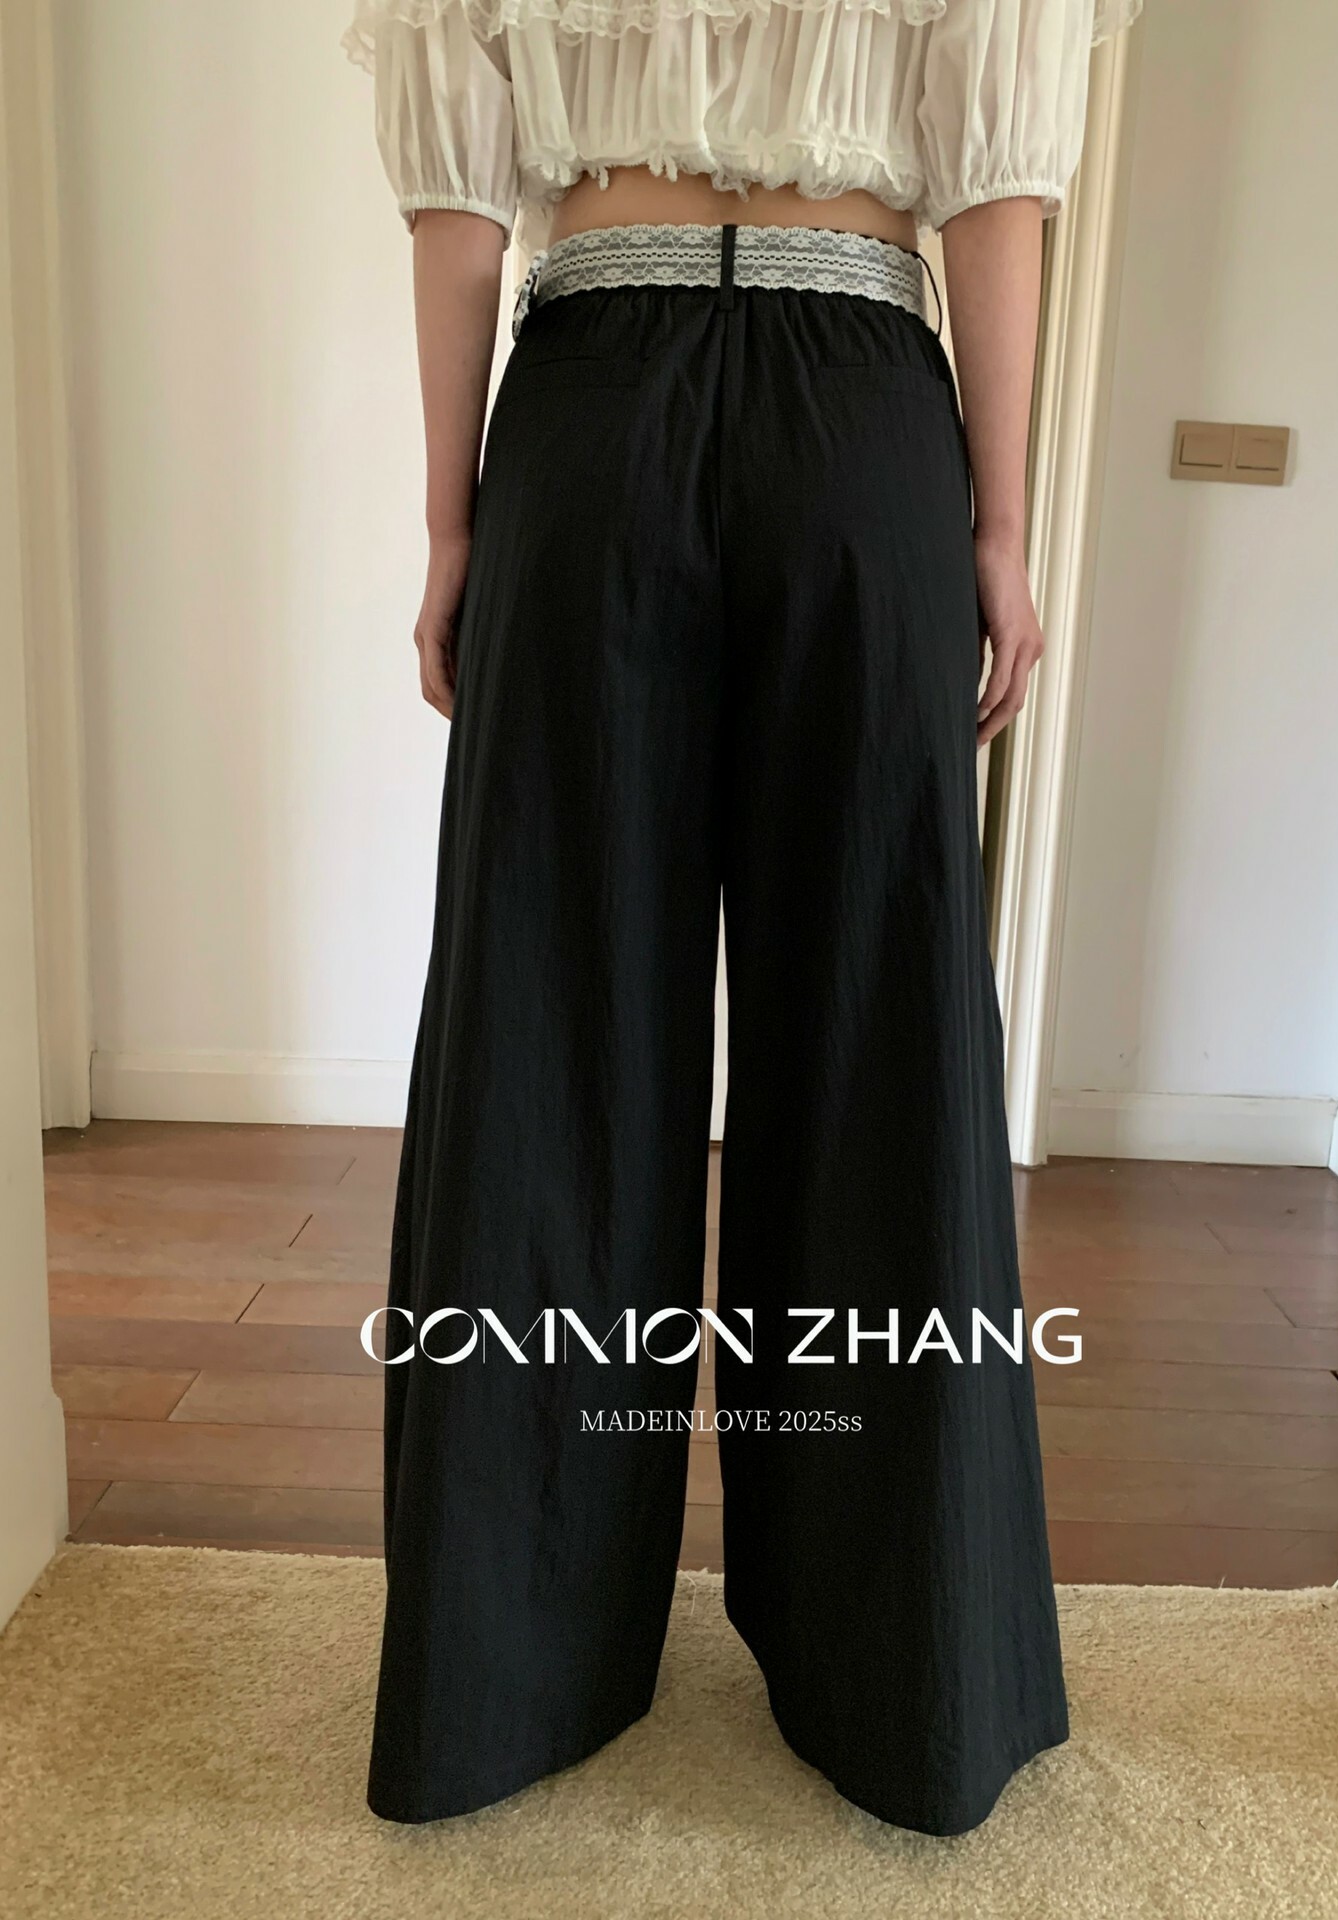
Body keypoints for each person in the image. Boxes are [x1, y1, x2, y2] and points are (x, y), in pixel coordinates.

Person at [343, 0, 1141, 1837]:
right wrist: (997, 527)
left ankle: (504, 1668)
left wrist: (455, 523)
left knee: (548, 1033)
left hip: (588, 407)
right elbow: (992, 189)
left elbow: (458, 201)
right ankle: (902, 1684)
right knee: (877, 1038)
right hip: (859, 410)